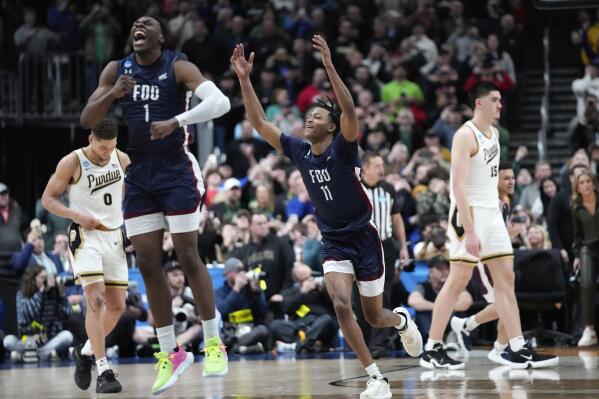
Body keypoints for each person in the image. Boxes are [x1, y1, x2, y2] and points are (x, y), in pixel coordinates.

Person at [231, 36, 422, 399]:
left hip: (364, 238)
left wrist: (330, 66)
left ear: (331, 127)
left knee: (375, 317)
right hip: (333, 240)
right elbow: (258, 122)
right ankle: (375, 377)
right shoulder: (299, 151)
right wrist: (244, 79)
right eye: (308, 115)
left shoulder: (343, 147)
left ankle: (401, 321)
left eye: (316, 116)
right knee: (338, 303)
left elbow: (349, 111)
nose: (309, 119)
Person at [79, 16, 231, 395]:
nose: (138, 27)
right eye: (133, 25)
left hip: (177, 170)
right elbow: (86, 118)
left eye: (147, 24)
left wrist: (177, 120)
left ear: (161, 37)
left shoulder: (178, 65)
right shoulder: (117, 70)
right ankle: (170, 353)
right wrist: (112, 95)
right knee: (147, 263)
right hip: (140, 173)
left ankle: (213, 343)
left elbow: (221, 102)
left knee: (187, 255)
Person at [420, 82, 558, 370]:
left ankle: (516, 347)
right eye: (494, 100)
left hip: (491, 212)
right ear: (479, 103)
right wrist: (470, 230)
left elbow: (487, 177)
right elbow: (457, 186)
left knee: (506, 278)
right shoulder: (464, 135)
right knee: (457, 280)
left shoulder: (494, 134)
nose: (500, 105)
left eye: (500, 100)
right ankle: (432, 348)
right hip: (468, 213)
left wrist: (497, 201)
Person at [41, 119, 129, 393]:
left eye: (111, 147)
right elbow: (48, 199)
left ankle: (86, 352)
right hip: (86, 236)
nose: (107, 153)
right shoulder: (72, 162)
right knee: (97, 300)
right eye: (103, 147)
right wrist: (75, 214)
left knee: (118, 307)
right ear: (91, 139)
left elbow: (124, 196)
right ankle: (104, 370)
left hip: (114, 236)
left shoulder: (122, 158)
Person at [449, 162, 516, 363]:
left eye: (512, 177)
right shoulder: (487, 201)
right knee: (505, 304)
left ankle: (498, 345)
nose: (511, 181)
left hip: (496, 258)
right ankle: (495, 344)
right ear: (494, 180)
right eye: (506, 178)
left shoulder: (504, 200)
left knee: (507, 303)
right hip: (483, 261)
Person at [358, 152, 410, 357]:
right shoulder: (355, 188)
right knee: (359, 296)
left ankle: (379, 344)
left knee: (384, 293)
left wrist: (404, 245)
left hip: (385, 246)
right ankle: (364, 341)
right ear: (366, 168)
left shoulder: (388, 189)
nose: (382, 168)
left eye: (382, 165)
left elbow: (397, 219)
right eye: (377, 165)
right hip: (361, 246)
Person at [2, 265, 73, 362]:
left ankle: (31, 355)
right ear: (32, 279)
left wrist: (62, 295)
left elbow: (65, 314)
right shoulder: (22, 294)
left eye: (47, 277)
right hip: (27, 341)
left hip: (47, 340)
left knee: (67, 336)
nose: (46, 280)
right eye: (43, 278)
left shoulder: (53, 293)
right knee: (8, 341)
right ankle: (44, 354)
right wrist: (40, 292)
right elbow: (26, 316)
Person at [408, 256, 472, 342]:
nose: (445, 271)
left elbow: (467, 301)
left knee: (458, 313)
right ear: (431, 272)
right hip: (430, 323)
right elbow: (413, 301)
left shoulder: (454, 286)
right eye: (440, 269)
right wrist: (438, 307)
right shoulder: (423, 286)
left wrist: (446, 309)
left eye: (447, 269)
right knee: (422, 312)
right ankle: (430, 340)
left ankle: (454, 340)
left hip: (449, 324)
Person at [215, 257, 268, 354]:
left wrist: (257, 293)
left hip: (250, 331)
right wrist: (236, 289)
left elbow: (263, 313)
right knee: (219, 338)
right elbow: (221, 312)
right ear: (228, 273)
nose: (242, 274)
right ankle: (242, 347)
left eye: (243, 271)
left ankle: (237, 348)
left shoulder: (249, 290)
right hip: (230, 332)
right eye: (238, 271)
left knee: (263, 330)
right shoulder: (219, 292)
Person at [572, 171, 599, 347]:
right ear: (578, 187)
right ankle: (589, 330)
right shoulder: (576, 207)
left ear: (594, 183)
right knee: (587, 285)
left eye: (589, 181)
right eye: (582, 182)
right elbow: (577, 235)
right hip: (587, 248)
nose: (586, 184)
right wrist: (576, 256)